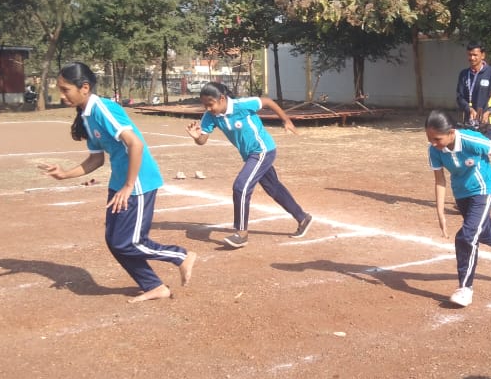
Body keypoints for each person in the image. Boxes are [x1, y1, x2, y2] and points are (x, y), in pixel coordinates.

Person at [38, 62, 196, 303]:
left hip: (139, 182)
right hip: (120, 182)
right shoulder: (87, 115)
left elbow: (136, 144)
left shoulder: (102, 108)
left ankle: (180, 256)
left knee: (128, 242)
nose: (61, 95)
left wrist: (129, 186)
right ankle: (154, 286)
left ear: (84, 87)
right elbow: (96, 159)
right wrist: (64, 173)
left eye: (65, 89)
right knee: (114, 241)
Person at [185, 82, 313, 249]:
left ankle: (241, 233)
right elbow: (202, 140)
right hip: (249, 155)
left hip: (262, 150)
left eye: (210, 104)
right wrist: (196, 137)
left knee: (241, 187)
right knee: (273, 188)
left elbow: (267, 102)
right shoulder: (210, 116)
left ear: (222, 99)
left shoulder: (242, 105)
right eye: (204, 105)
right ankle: (302, 217)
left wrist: (286, 120)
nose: (208, 108)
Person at [425, 109, 491, 307]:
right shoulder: (434, 151)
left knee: (467, 235)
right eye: (430, 139)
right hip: (461, 193)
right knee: (482, 230)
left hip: (483, 189)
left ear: (451, 132)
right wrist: (440, 213)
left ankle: (465, 288)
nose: (434, 143)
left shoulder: (472, 140)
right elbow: (440, 181)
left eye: (437, 138)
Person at [455, 42, 491, 208]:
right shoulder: (464, 74)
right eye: (469, 55)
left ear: (482, 56)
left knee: (480, 156)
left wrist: (489, 111)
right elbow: (459, 97)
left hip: (487, 124)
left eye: (475, 55)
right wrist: (468, 108)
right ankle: (477, 195)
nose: (472, 58)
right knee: (470, 157)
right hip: (468, 123)